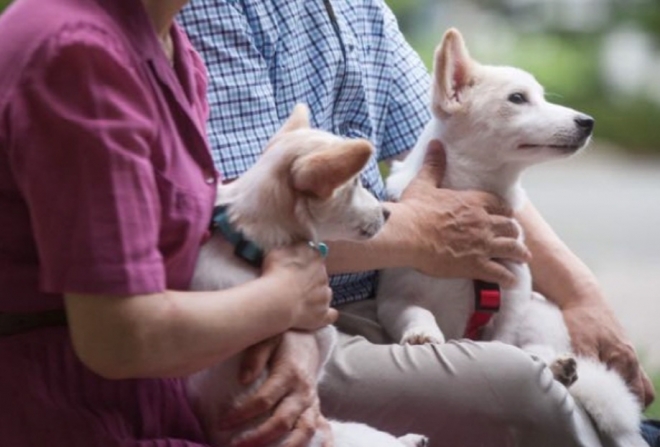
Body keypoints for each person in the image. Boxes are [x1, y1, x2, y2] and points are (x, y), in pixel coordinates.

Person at [178, 1, 655, 446]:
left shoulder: (360, 7)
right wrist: (413, 233)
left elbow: (460, 156)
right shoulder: (206, 11)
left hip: (367, 298)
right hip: (283, 321)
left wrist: (580, 295)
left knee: (544, 357)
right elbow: (237, 222)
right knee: (518, 385)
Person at [0, 0, 337, 445]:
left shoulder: (168, 44)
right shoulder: (79, 54)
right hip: (66, 414)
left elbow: (182, 251)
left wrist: (290, 331)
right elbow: (120, 337)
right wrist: (284, 300)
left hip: (160, 402)